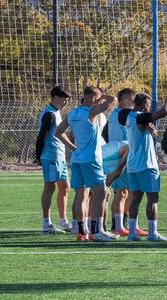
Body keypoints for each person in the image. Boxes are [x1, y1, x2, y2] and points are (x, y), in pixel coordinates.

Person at [55, 86, 117, 242]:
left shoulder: (72, 113)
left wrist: (74, 148)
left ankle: (82, 230)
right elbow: (113, 100)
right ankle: (97, 230)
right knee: (101, 192)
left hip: (77, 159)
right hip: (91, 159)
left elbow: (58, 133)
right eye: (97, 98)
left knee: (82, 195)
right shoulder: (91, 112)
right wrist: (101, 96)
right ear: (94, 98)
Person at [126, 93, 167, 242]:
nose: (149, 108)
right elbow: (164, 112)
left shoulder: (129, 117)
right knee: (153, 198)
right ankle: (152, 233)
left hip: (133, 165)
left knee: (135, 199)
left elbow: (144, 130)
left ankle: (132, 233)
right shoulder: (140, 116)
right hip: (146, 165)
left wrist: (151, 131)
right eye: (148, 104)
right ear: (144, 104)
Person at [101, 88, 140, 236]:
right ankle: (118, 225)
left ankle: (122, 225)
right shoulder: (122, 115)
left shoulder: (115, 114)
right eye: (132, 99)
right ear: (125, 101)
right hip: (121, 154)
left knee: (124, 191)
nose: (134, 103)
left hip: (120, 152)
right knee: (122, 191)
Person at [35, 85, 72, 234]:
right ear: (56, 97)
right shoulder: (49, 114)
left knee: (65, 187)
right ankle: (47, 224)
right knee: (50, 188)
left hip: (60, 157)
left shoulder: (57, 113)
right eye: (65, 99)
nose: (66, 102)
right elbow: (41, 136)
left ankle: (63, 222)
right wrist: (38, 156)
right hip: (50, 156)